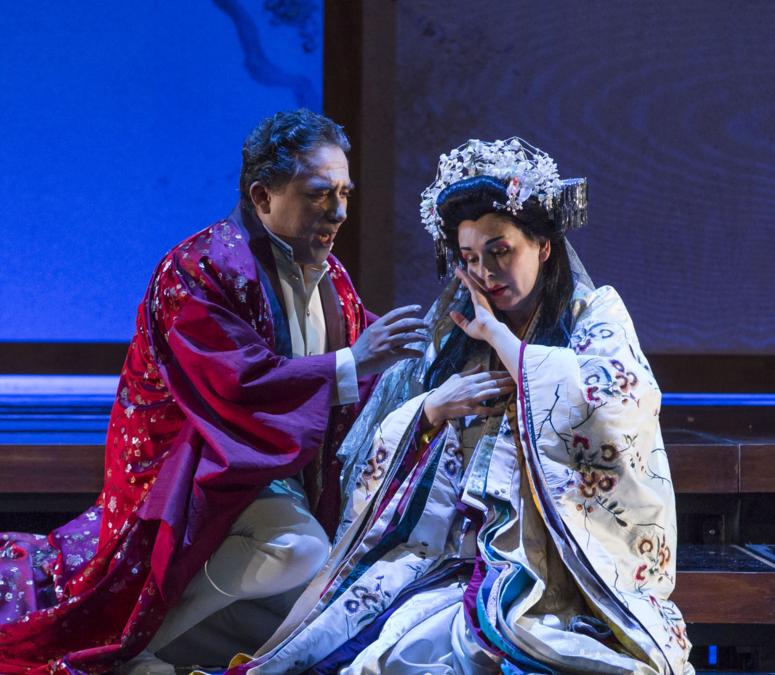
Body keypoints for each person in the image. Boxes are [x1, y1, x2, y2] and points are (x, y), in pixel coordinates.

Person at [0, 110, 427, 674]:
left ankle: (156, 647)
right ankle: (126, 650)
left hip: (267, 468)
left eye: (344, 193)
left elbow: (363, 358)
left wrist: (427, 356)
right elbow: (236, 382)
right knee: (296, 550)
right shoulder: (199, 269)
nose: (338, 211)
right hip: (190, 465)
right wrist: (354, 361)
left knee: (328, 589)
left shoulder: (329, 275)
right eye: (320, 193)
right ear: (263, 196)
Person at [219, 139, 693, 675]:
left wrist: (501, 339)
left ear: (543, 246)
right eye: (469, 258)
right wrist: (431, 410)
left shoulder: (594, 312)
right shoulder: (453, 334)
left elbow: (617, 404)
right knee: (384, 659)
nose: (485, 272)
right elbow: (385, 440)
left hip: (567, 569)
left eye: (500, 251)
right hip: (454, 558)